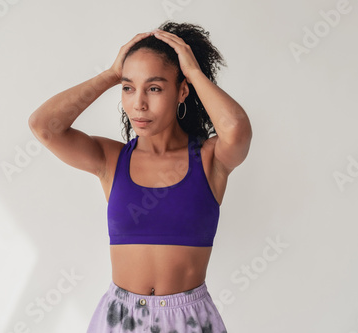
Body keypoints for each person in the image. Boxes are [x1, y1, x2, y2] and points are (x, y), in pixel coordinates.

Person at [28, 21, 252, 333]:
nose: (139, 103)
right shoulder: (112, 160)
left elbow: (237, 130)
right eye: (128, 87)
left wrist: (194, 72)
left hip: (189, 321)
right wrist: (110, 74)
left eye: (155, 88)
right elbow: (43, 126)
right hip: (120, 319)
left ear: (182, 91)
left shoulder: (210, 159)